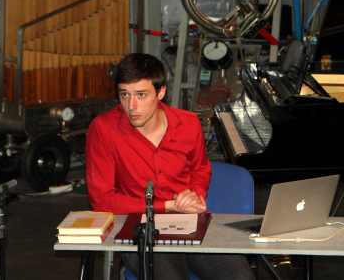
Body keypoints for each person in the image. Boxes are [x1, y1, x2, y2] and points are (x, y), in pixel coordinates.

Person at [86, 53, 254, 280]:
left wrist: (196, 194)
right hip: (140, 230)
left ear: (161, 92)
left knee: (241, 277)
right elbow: (102, 201)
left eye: (141, 95)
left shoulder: (189, 123)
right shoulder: (104, 129)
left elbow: (201, 169)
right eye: (124, 94)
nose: (131, 106)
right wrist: (168, 206)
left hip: (190, 223)